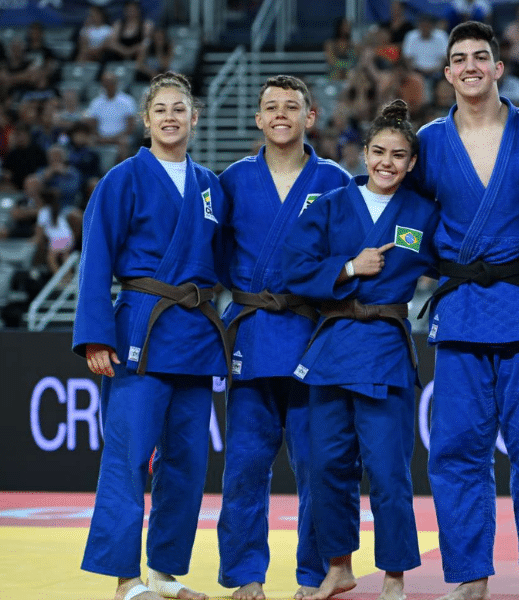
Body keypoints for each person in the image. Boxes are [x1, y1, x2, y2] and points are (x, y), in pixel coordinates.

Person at [410, 21, 519, 600]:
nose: (471, 65)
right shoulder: (425, 142)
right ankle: (471, 576)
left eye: (481, 56)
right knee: (455, 452)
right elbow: (397, 204)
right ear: (446, 73)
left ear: (500, 69)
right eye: (459, 59)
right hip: (461, 312)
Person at [73, 71, 228, 600]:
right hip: (140, 327)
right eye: (160, 108)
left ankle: (164, 573)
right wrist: (96, 336)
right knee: (129, 458)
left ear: (194, 117)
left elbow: (226, 261)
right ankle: (125, 580)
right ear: (145, 119)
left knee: (186, 464)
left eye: (179, 108)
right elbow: (95, 261)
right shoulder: (121, 179)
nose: (170, 117)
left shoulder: (211, 186)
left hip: (195, 336)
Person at [281, 99, 439, 600]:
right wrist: (349, 267)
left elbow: (457, 260)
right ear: (363, 153)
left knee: (389, 469)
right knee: (328, 466)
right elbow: (292, 270)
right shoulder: (329, 205)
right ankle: (339, 566)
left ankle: (394, 574)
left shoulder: (423, 213)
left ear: (412, 163)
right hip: (331, 352)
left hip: (385, 352)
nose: (386, 162)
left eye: (397, 155)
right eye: (378, 152)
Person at [215, 74, 351, 600]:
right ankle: (246, 574)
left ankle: (315, 574)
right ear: (257, 118)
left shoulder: (336, 180)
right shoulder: (232, 181)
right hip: (253, 331)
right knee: (246, 465)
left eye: (291, 107)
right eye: (270, 107)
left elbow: (352, 256)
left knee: (321, 464)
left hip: (314, 336)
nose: (280, 115)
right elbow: (214, 253)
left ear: (309, 118)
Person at [84, 70, 138, 160]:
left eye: (110, 83)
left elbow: (130, 127)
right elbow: (92, 125)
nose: (108, 86)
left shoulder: (127, 101)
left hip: (120, 137)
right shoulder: (96, 102)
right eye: (105, 83)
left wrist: (114, 138)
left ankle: (123, 171)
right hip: (101, 137)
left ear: (116, 84)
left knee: (124, 142)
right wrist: (100, 137)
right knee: (89, 141)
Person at [402, 14, 449, 84]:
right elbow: (407, 58)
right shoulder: (411, 36)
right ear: (418, 26)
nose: (425, 28)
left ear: (432, 26)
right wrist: (415, 71)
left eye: (427, 26)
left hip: (437, 72)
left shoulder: (441, 36)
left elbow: (445, 58)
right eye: (423, 26)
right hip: (416, 71)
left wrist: (435, 70)